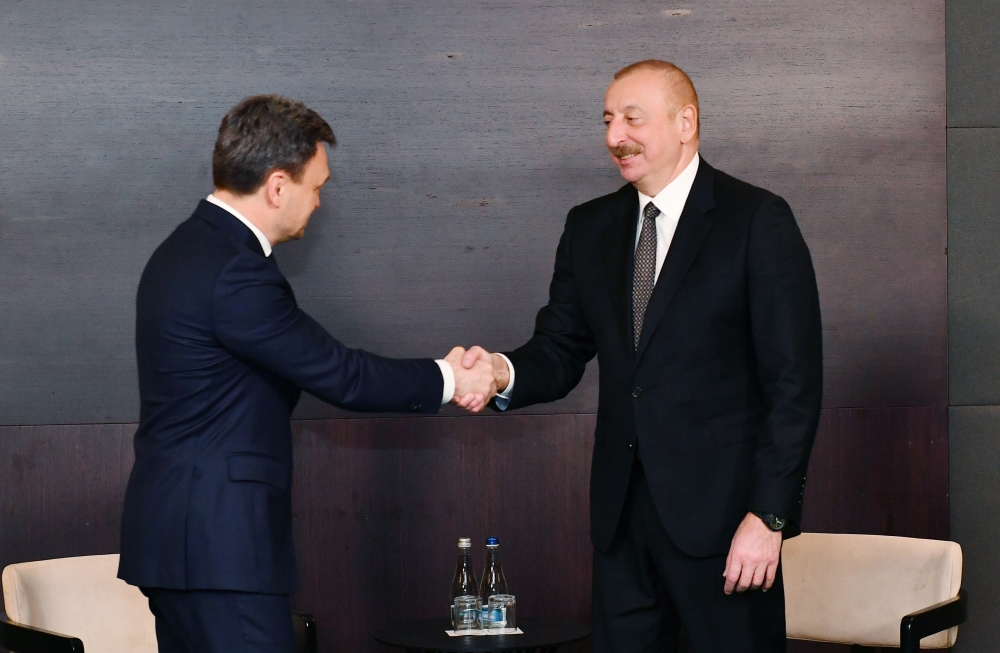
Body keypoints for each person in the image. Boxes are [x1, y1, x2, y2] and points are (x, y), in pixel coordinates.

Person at [461, 60, 823, 651]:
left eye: (632, 119)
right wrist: (502, 372)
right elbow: (559, 349)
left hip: (728, 528)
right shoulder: (589, 227)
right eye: (607, 120)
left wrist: (769, 518)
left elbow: (794, 386)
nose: (614, 136)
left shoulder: (757, 219)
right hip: (621, 525)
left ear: (686, 123)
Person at [118, 94, 495, 653]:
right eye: (316, 187)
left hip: (185, 544)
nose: (319, 202)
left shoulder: (186, 249)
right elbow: (342, 375)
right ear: (277, 186)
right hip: (218, 548)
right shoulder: (234, 270)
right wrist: (452, 379)